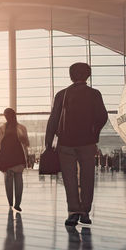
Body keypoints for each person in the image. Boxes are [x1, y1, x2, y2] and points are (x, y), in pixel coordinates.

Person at [44, 62, 109, 227]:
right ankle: (85, 211)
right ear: (88, 76)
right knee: (87, 177)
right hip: (87, 142)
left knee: (69, 178)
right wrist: (94, 133)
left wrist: (48, 142)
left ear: (71, 76)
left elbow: (53, 119)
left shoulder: (62, 94)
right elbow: (102, 116)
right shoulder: (94, 94)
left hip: (66, 142)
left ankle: (73, 212)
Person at [0, 107, 30, 213]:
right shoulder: (4, 129)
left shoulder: (7, 129)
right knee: (13, 181)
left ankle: (15, 203)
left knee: (14, 180)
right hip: (10, 158)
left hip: (13, 157)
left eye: (7, 115)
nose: (6, 117)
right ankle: (13, 203)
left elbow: (26, 143)